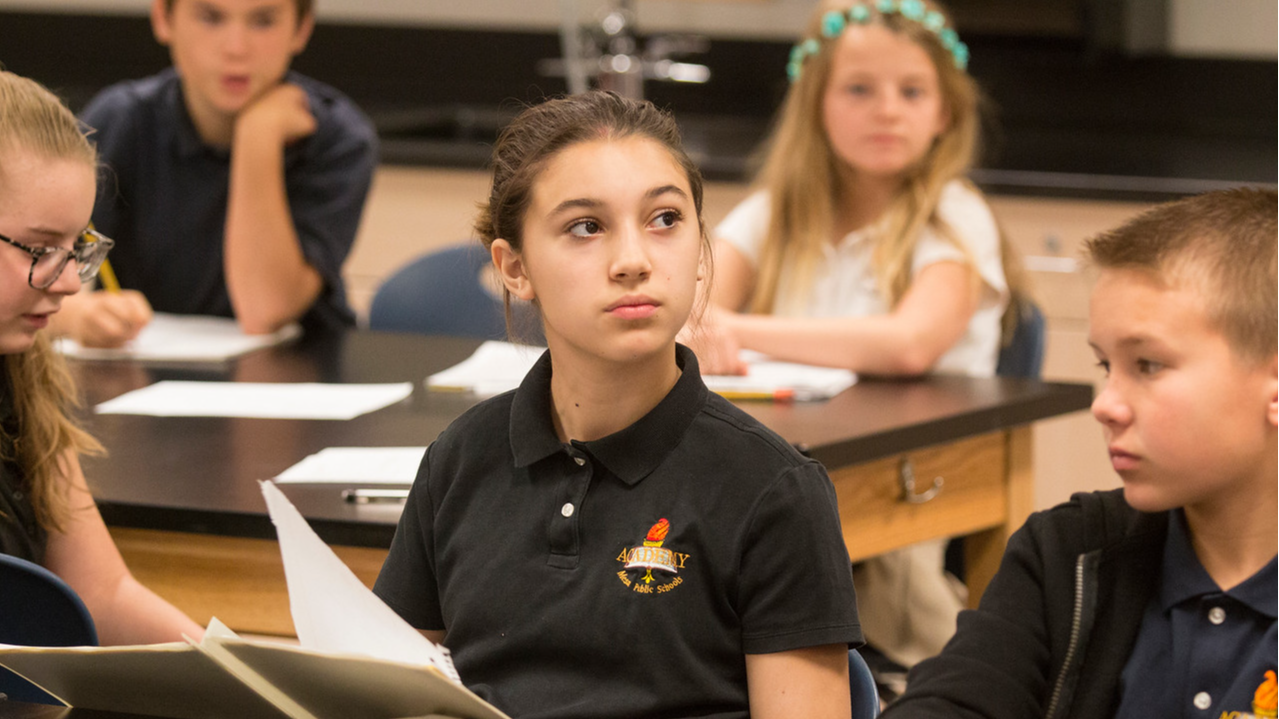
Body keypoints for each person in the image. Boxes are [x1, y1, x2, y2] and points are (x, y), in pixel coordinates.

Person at [372, 91, 863, 718]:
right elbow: (383, 693)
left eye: (664, 220)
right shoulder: (460, 460)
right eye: (586, 227)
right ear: (514, 268)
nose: (634, 261)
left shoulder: (775, 493)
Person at [683, 0, 1025, 676]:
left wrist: (735, 327)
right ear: (815, 104)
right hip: (781, 458)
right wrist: (700, 320)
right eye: (859, 89)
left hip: (905, 479)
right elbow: (692, 298)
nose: (887, 110)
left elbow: (907, 343)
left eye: (911, 91)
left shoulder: (953, 215)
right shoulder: (776, 208)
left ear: (945, 113)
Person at [882, 187, 1278, 718]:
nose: (1106, 405)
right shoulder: (1068, 553)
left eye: (1148, 366)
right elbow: (953, 701)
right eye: (1104, 366)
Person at [1, 69, 204, 645]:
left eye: (78, 248)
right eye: (41, 249)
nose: (69, 284)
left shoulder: (21, 371)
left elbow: (102, 593)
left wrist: (257, 685)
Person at [51, 0, 378, 348]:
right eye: (210, 18)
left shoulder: (337, 138)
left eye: (263, 21)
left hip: (301, 374)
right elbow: (23, 278)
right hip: (144, 368)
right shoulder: (122, 120)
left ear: (301, 30)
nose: (236, 49)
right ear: (164, 19)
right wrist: (78, 316)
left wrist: (257, 137)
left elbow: (263, 312)